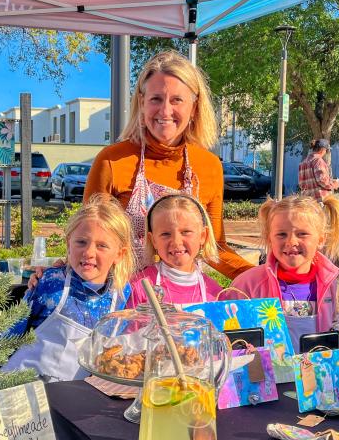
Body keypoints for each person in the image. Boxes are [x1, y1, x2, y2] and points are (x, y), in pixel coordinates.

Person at [83, 51, 251, 279]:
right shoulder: (112, 160)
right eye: (156, 99)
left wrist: (265, 278)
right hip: (124, 298)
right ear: (142, 103)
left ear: (194, 107)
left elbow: (216, 249)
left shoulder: (209, 165)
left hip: (184, 302)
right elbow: (87, 240)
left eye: (176, 100)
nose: (165, 111)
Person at [5, 194, 134, 382]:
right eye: (81, 242)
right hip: (25, 386)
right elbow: (12, 331)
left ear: (119, 254)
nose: (89, 252)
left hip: (77, 397)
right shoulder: (50, 282)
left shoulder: (123, 295)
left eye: (102, 246)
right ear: (68, 243)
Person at [227, 195, 339, 346]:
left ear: (321, 239)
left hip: (319, 368)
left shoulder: (335, 288)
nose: (291, 241)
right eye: (281, 234)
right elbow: (229, 336)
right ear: (269, 238)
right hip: (264, 369)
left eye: (302, 234)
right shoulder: (246, 286)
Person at [127, 194, 223, 308]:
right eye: (166, 234)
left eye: (186, 232)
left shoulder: (214, 292)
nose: (176, 242)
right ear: (153, 240)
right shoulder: (139, 287)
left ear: (203, 236)